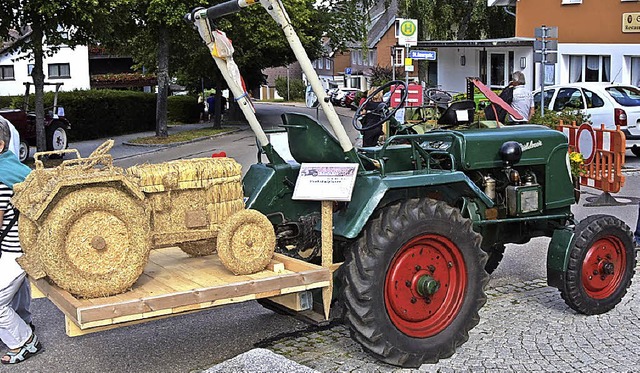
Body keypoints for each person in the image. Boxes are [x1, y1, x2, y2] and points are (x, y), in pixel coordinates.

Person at [0, 118, 38, 364]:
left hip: (14, 251)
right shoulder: (18, 169)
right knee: (14, 291)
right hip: (24, 248)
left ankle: (24, 341)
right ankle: (22, 321)